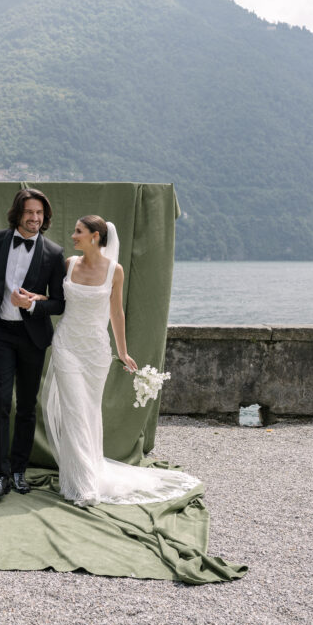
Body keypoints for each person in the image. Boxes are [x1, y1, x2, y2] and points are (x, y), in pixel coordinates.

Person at [36, 215, 200, 507]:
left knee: (89, 412)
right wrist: (35, 299)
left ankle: (86, 474)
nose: (73, 236)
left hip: (96, 352)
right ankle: (84, 485)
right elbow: (56, 301)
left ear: (95, 236)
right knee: (73, 411)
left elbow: (116, 313)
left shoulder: (115, 270)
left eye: (78, 231)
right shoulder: (69, 264)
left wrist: (123, 352)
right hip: (66, 346)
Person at [0, 188, 67, 501]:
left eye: (39, 213)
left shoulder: (54, 253)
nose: (35, 218)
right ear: (18, 214)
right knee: (0, 402)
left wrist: (33, 305)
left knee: (26, 406)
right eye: (29, 212)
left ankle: (18, 471)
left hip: (32, 338)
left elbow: (60, 303)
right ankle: (0, 476)